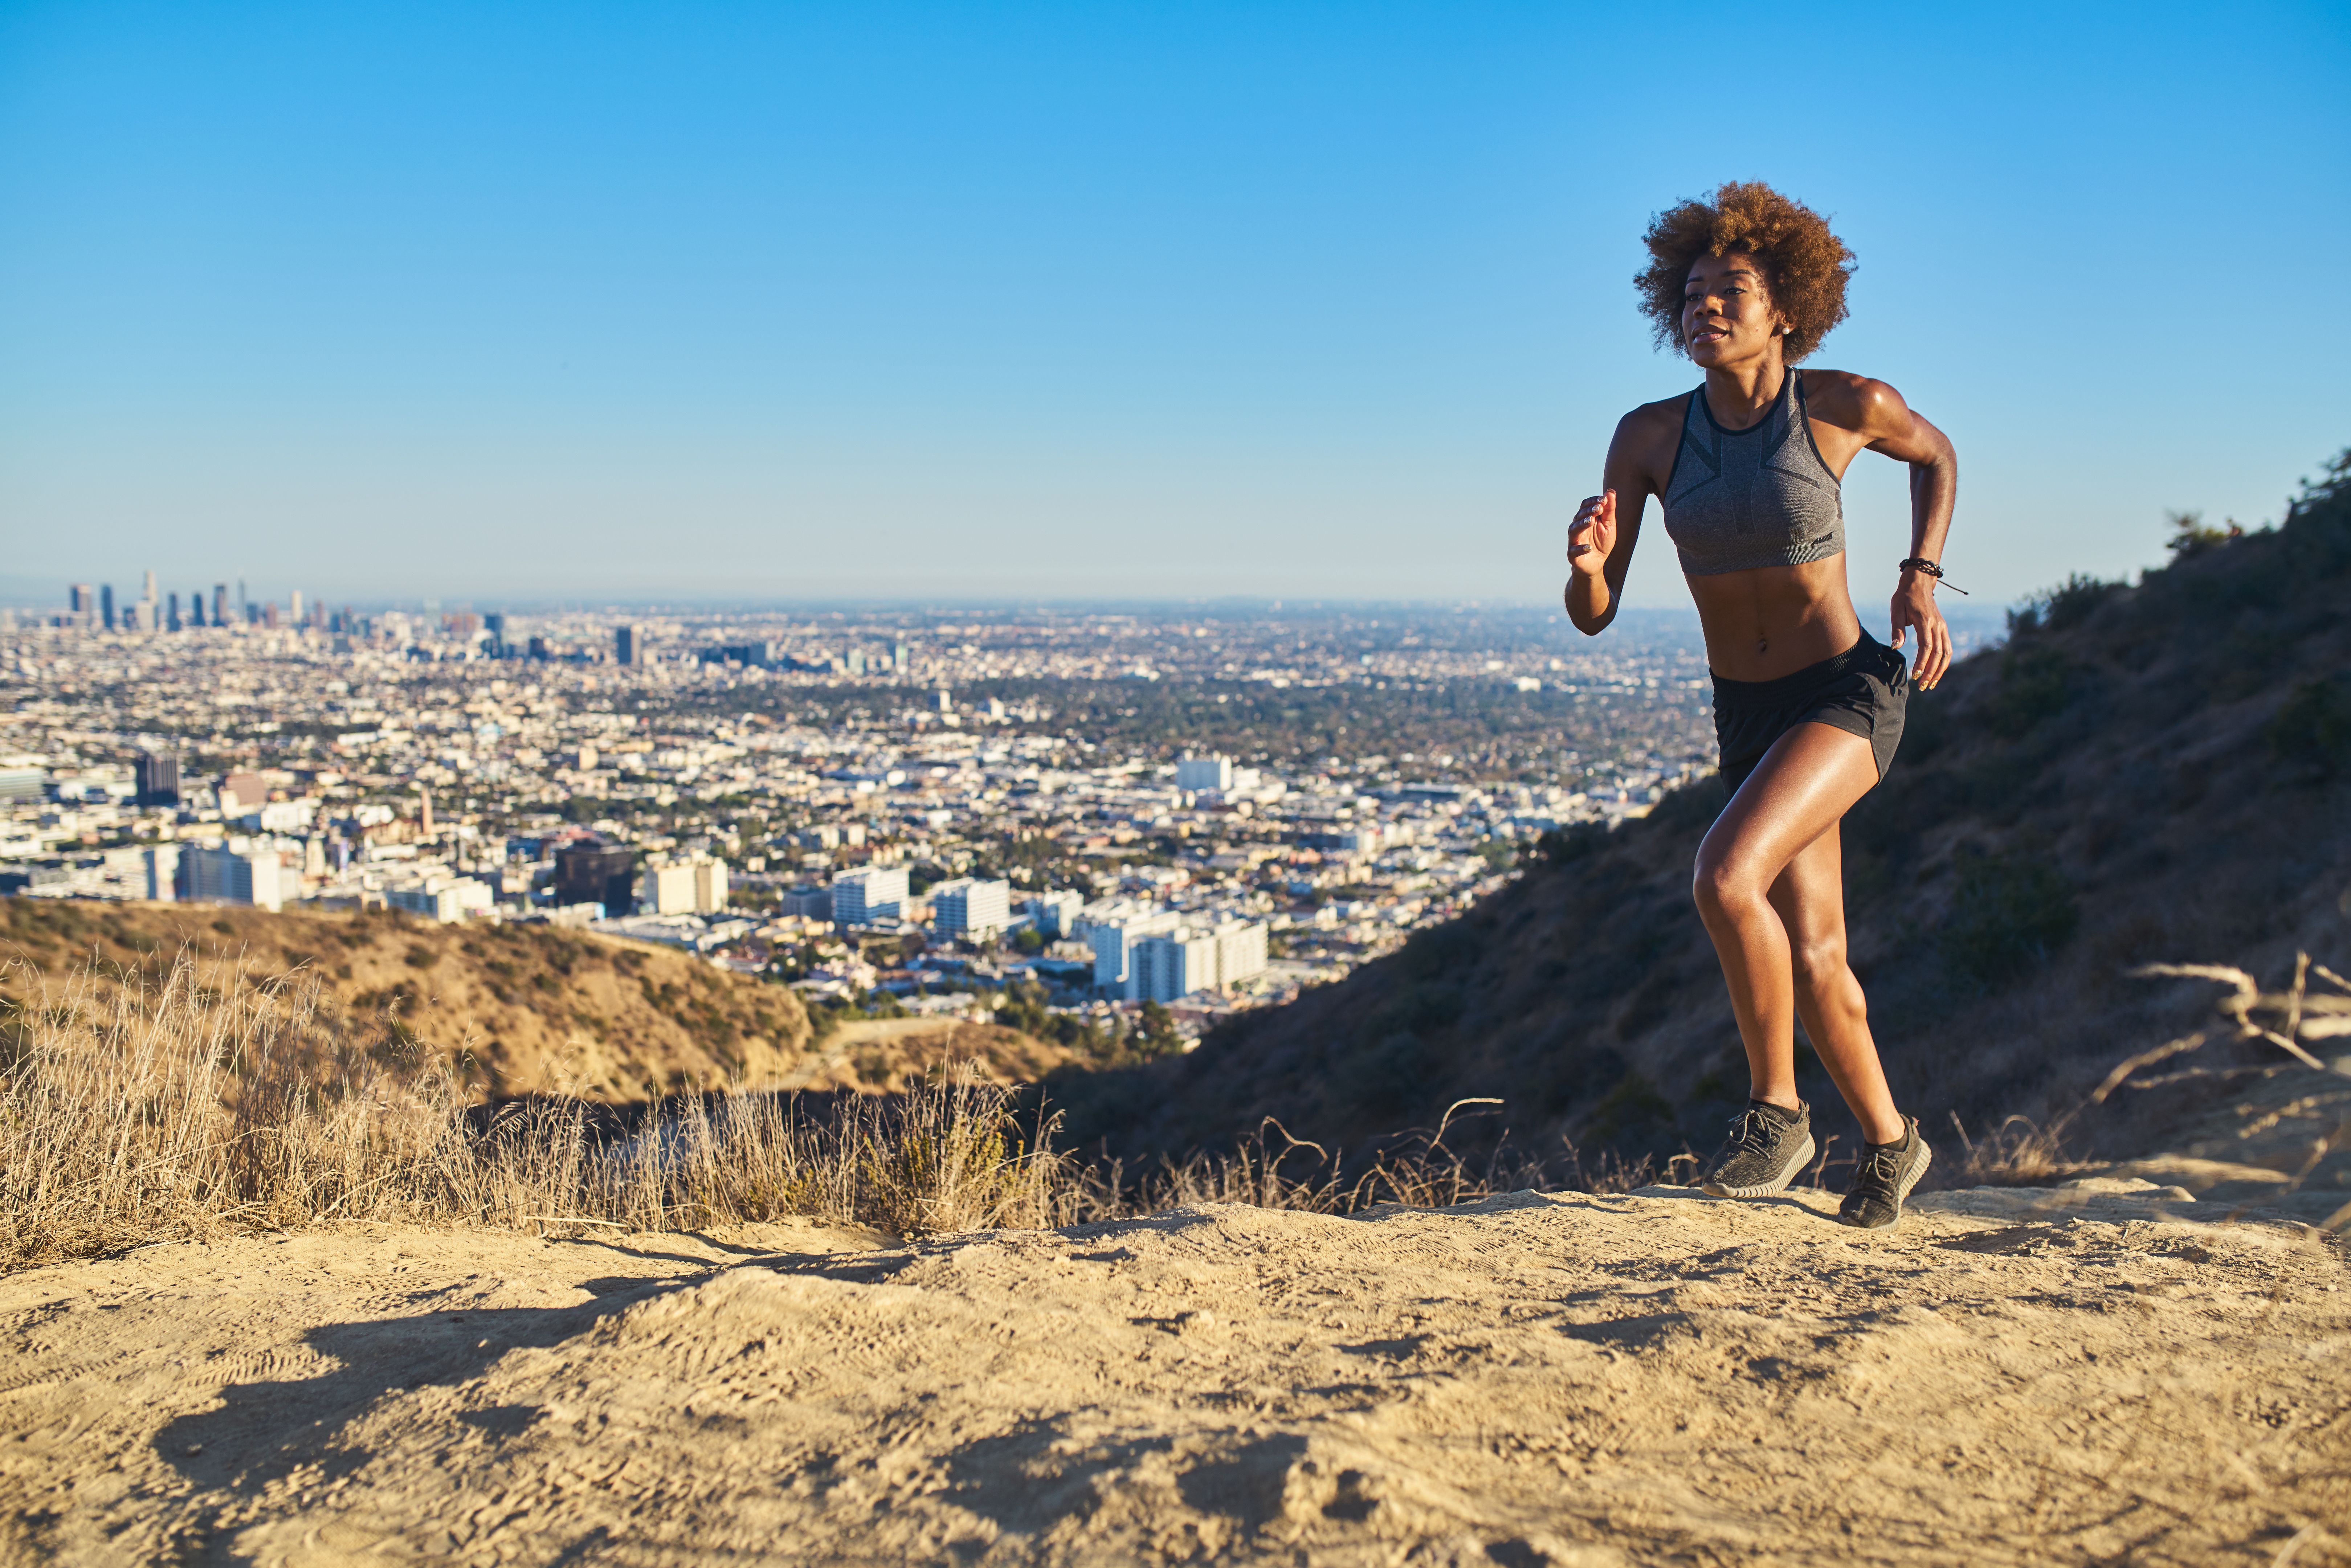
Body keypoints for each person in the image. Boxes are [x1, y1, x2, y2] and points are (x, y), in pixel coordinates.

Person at [1563, 182, 1957, 1229]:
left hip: (1847, 691)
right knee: (1816, 949)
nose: (1706, 307)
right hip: (1749, 714)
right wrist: (1590, 566)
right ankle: (1891, 1142)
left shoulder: (1843, 406)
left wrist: (1921, 571)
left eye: (1731, 289)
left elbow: (1938, 454)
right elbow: (1595, 615)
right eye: (1691, 294)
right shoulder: (1648, 438)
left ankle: (1776, 1112)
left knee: (1726, 875)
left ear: (1788, 308)